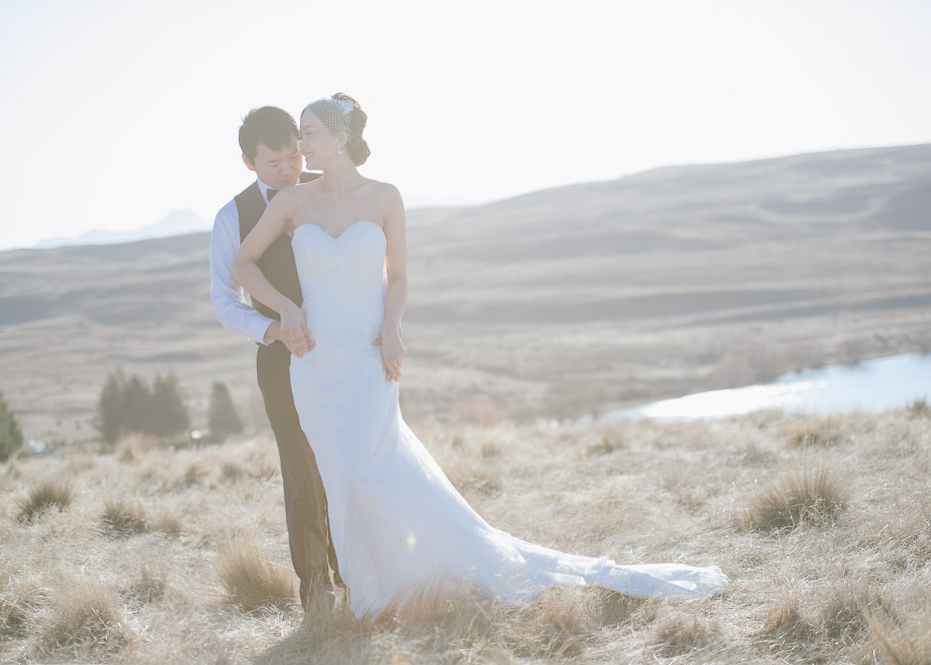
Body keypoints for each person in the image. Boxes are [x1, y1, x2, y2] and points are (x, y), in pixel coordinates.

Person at [232, 94, 728, 619]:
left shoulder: (384, 197)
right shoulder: (291, 203)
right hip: (315, 365)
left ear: (339, 138)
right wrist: (287, 309)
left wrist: (393, 328)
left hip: (368, 359)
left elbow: (398, 278)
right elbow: (244, 264)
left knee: (367, 472)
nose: (301, 143)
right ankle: (374, 591)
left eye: (308, 132)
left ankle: (424, 573)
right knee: (341, 480)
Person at [209, 106, 340, 612]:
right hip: (280, 360)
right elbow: (224, 301)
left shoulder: (330, 190)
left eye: (293, 157)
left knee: (348, 460)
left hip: (343, 351)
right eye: (273, 163)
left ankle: (359, 577)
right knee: (301, 469)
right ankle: (317, 590)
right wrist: (274, 330)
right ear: (249, 163)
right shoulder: (232, 217)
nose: (288, 171)